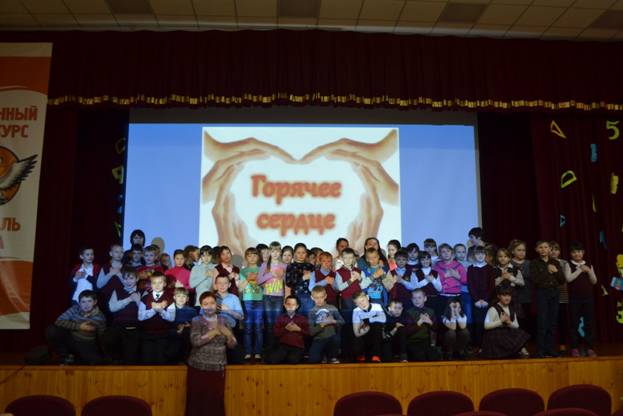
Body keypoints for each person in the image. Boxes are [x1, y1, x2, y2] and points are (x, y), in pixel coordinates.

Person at [186, 292, 237, 416]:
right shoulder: (196, 320)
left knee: (215, 402)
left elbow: (233, 345)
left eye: (212, 303)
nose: (209, 306)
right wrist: (213, 332)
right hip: (198, 367)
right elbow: (195, 341)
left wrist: (229, 335)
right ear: (201, 306)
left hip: (217, 368)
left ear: (216, 304)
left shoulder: (224, 320)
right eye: (206, 304)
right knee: (196, 402)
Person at [47, 290, 106, 365]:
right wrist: (79, 326)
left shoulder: (100, 317)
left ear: (95, 302)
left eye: (89, 301)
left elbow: (101, 335)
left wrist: (100, 350)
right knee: (52, 330)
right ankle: (65, 356)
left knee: (96, 362)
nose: (86, 305)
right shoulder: (75, 309)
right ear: (79, 303)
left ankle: (75, 358)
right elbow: (58, 321)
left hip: (86, 344)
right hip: (71, 339)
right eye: (83, 302)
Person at [530, 240, 565, 358]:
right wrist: (547, 270)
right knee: (542, 322)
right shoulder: (534, 263)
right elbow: (535, 280)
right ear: (537, 249)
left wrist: (555, 271)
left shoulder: (555, 262)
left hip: (554, 293)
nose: (543, 249)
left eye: (546, 247)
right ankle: (541, 350)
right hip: (542, 293)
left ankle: (550, 348)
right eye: (541, 247)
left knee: (552, 322)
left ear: (550, 249)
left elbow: (562, 280)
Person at [565, 242, 598, 357]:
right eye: (574, 252)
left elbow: (594, 281)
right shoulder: (569, 264)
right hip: (574, 299)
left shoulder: (588, 264)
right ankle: (574, 347)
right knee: (574, 323)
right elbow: (568, 279)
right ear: (571, 254)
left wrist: (588, 271)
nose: (577, 254)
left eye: (579, 252)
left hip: (588, 299)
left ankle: (590, 347)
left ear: (583, 252)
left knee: (589, 323)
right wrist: (579, 270)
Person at [104, 266, 142, 364]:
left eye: (131, 278)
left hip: (135, 327)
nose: (128, 281)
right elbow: (112, 308)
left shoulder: (141, 292)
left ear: (137, 279)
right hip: (119, 326)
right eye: (125, 278)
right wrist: (129, 299)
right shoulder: (117, 291)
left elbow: (145, 311)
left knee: (131, 358)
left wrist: (138, 300)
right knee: (108, 340)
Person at [335, 247, 368, 361]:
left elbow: (364, 285)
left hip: (358, 302)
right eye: (346, 258)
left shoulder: (359, 271)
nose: (348, 260)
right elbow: (339, 287)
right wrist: (351, 280)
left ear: (354, 258)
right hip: (346, 301)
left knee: (360, 325)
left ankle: (359, 353)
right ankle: (346, 354)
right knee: (348, 327)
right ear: (342, 258)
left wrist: (359, 279)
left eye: (350, 258)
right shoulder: (339, 272)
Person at [482, 284, 530, 359]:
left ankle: (517, 350)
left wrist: (509, 322)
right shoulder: (493, 309)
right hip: (495, 335)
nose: (507, 298)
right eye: (504, 295)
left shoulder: (511, 308)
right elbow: (486, 325)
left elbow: (516, 326)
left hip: (506, 332)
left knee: (520, 333)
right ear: (499, 296)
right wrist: (500, 321)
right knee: (501, 337)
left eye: (509, 295)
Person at [138, 271, 175, 364]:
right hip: (147, 334)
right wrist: (154, 310)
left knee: (160, 360)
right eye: (154, 283)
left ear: (165, 284)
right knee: (147, 360)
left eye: (160, 282)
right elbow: (140, 317)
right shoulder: (145, 298)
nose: (157, 285)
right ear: (151, 284)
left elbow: (171, 318)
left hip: (163, 335)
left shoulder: (170, 299)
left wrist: (161, 310)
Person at [258, 241, 286, 350]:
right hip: (267, 296)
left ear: (280, 252)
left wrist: (285, 297)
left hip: (279, 297)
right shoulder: (265, 265)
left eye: (277, 251)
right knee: (269, 322)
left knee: (278, 322)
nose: (275, 253)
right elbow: (259, 280)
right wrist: (271, 274)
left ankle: (277, 347)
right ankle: (270, 346)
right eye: (273, 251)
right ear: (269, 252)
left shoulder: (284, 266)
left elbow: (286, 283)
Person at [239, 247, 264, 361]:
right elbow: (240, 288)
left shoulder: (262, 269)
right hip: (247, 301)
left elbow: (266, 286)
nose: (252, 258)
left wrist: (258, 279)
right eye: (249, 256)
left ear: (258, 257)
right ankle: (248, 352)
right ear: (246, 258)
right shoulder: (243, 271)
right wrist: (248, 279)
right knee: (248, 327)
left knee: (258, 327)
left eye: (254, 255)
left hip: (259, 300)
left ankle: (258, 352)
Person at [467, 246, 495, 349]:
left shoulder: (490, 268)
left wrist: (486, 299)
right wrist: (476, 300)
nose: (480, 256)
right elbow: (470, 285)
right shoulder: (471, 268)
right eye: (477, 254)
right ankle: (477, 345)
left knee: (486, 322)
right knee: (477, 322)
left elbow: (491, 286)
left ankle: (486, 345)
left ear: (485, 255)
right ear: (474, 255)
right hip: (476, 301)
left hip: (487, 300)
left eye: (482, 253)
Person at [308, 285, 344, 364]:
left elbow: (342, 321)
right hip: (319, 339)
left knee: (336, 338)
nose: (319, 300)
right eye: (316, 298)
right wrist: (322, 324)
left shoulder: (332, 307)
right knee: (313, 360)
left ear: (325, 296)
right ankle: (323, 355)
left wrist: (333, 321)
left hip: (331, 338)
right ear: (312, 298)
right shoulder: (311, 311)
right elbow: (311, 332)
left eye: (321, 297)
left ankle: (332, 356)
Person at [269, 295, 309, 364]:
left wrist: (299, 329)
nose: (290, 306)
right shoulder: (280, 318)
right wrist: (285, 329)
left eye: (293, 304)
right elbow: (276, 333)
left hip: (297, 347)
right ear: (285, 305)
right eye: (288, 304)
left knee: (293, 361)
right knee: (272, 360)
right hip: (283, 346)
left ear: (297, 306)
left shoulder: (302, 319)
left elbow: (309, 333)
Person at [405, 289, 440, 361]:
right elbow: (407, 331)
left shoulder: (430, 311)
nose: (417, 300)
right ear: (411, 300)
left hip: (426, 341)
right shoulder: (409, 312)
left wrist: (430, 322)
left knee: (433, 357)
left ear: (425, 298)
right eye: (414, 298)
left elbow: (436, 329)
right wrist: (419, 322)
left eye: (419, 298)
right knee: (420, 357)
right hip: (413, 342)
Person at [352, 291, 386, 362]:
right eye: (359, 303)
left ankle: (376, 355)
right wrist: (363, 329)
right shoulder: (356, 311)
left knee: (377, 325)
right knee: (356, 333)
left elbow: (383, 319)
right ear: (356, 304)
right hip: (364, 333)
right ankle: (361, 354)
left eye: (363, 300)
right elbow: (356, 333)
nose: (362, 304)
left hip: (376, 333)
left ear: (367, 297)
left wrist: (366, 320)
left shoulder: (377, 306)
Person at [433, 244, 467, 314]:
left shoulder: (459, 265)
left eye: (448, 251)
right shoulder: (437, 266)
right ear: (440, 254)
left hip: (456, 296)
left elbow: (465, 281)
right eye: (443, 252)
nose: (446, 253)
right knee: (441, 317)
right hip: (441, 296)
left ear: (451, 252)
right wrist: (445, 276)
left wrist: (457, 276)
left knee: (456, 317)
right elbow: (434, 281)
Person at [509, 239, 533, 333]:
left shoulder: (529, 263)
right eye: (519, 250)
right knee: (515, 321)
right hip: (513, 297)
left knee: (526, 321)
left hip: (527, 297)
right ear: (512, 251)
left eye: (523, 250)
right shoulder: (509, 263)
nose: (522, 252)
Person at [285, 242, 316, 315]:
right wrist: (303, 278)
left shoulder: (310, 266)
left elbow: (316, 281)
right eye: (298, 253)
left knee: (309, 318)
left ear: (306, 254)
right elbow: (289, 282)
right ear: (294, 253)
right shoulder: (291, 266)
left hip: (309, 296)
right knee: (297, 318)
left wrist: (311, 276)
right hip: (295, 297)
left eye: (303, 253)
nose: (301, 255)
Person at [550, 241, 570, 353]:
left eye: (556, 249)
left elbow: (566, 279)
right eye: (551, 249)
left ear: (559, 251)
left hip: (562, 296)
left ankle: (562, 344)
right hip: (549, 296)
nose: (554, 252)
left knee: (562, 321)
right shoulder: (545, 262)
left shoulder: (564, 263)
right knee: (550, 321)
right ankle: (550, 344)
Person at [169, 287, 197, 362]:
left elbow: (195, 324)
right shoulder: (169, 309)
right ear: (174, 297)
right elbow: (167, 324)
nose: (181, 298)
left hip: (186, 335)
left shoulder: (192, 311)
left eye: (184, 296)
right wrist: (178, 328)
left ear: (187, 298)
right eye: (178, 296)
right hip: (173, 334)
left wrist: (186, 326)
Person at [413, 252, 443, 317]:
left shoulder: (435, 272)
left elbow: (440, 289)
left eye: (427, 259)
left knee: (434, 317)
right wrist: (426, 280)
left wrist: (433, 280)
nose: (425, 261)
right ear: (419, 261)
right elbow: (415, 287)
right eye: (423, 259)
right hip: (421, 301)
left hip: (434, 299)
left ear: (430, 260)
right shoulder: (416, 273)